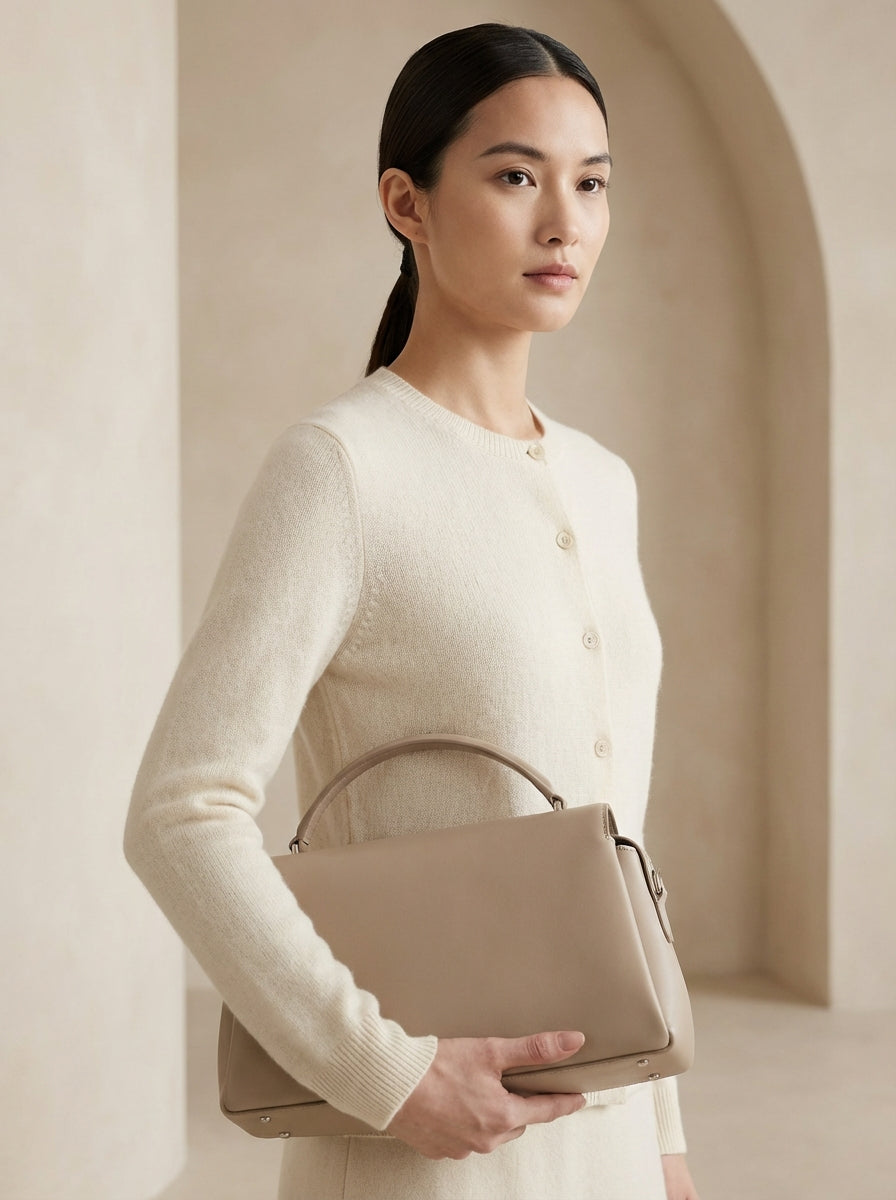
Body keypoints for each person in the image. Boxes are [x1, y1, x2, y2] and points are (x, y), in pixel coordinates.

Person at [124, 21, 701, 1200]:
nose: (564, 221)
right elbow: (181, 812)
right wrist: (388, 1075)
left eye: (590, 183)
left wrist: (661, 1143)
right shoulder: (341, 469)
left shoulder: (602, 483)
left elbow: (616, 844)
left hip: (604, 1145)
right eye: (512, 176)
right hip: (413, 1156)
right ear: (406, 203)